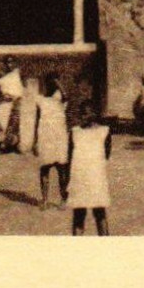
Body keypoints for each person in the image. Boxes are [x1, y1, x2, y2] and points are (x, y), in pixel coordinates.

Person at [68, 108, 112, 236]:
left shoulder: (102, 132)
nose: (82, 118)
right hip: (86, 178)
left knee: (93, 213)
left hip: (89, 179)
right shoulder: (76, 132)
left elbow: (106, 154)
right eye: (82, 114)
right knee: (86, 214)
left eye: (85, 114)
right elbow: (70, 156)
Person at [33, 75, 70, 208]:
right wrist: (35, 141)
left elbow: (65, 95)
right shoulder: (41, 101)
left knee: (62, 170)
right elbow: (36, 121)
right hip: (45, 138)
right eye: (50, 83)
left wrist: (57, 82)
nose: (53, 86)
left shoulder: (60, 101)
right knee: (44, 169)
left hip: (59, 138)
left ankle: (63, 199)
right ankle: (44, 200)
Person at [0, 56, 24, 153]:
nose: (10, 65)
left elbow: (21, 87)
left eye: (12, 62)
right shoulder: (2, 75)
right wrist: (4, 97)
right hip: (5, 101)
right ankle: (3, 145)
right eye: (8, 63)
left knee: (15, 123)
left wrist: (18, 96)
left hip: (17, 101)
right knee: (4, 123)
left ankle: (15, 145)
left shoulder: (18, 74)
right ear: (5, 64)